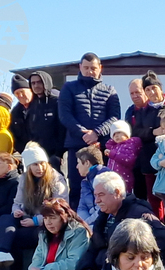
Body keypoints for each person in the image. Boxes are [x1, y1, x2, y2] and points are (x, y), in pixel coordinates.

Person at [72, 171, 165, 270]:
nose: (97, 201)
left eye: (101, 195)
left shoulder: (138, 214)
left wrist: (127, 268)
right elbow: (93, 247)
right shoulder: (105, 217)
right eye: (95, 196)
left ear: (116, 192)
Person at [0, 143, 69, 270]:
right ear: (28, 166)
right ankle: (2, 253)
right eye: (35, 164)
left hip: (47, 223)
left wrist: (36, 220)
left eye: (42, 164)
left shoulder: (56, 179)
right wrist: (17, 211)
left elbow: (61, 209)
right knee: (6, 218)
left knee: (17, 237)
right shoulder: (24, 179)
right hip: (27, 218)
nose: (39, 168)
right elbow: (17, 202)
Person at [60, 53, 121, 209]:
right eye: (86, 68)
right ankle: (77, 223)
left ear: (100, 68)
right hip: (76, 145)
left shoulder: (109, 90)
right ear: (80, 67)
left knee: (102, 185)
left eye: (93, 68)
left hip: (100, 147)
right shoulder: (69, 88)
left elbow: (114, 117)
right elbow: (65, 115)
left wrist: (97, 133)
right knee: (77, 186)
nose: (89, 71)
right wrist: (83, 133)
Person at [130, 71, 165, 219]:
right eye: (148, 90)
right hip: (150, 160)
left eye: (154, 88)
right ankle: (158, 228)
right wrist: (153, 132)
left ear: (160, 88)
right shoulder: (143, 111)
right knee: (154, 198)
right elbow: (136, 132)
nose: (152, 92)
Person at [11, 71, 64, 161]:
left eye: (39, 82)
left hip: (55, 155)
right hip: (36, 155)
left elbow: (62, 129)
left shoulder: (57, 102)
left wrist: (59, 154)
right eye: (33, 83)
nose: (36, 85)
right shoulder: (30, 106)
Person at [76, 145, 110, 226]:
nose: (77, 167)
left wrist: (86, 225)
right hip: (89, 224)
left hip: (104, 224)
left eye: (78, 163)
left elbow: (103, 209)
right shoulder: (85, 182)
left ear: (87, 163)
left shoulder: (106, 179)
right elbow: (82, 207)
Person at [105, 120, 142, 192]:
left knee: (123, 197)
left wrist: (113, 154)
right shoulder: (114, 147)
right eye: (114, 134)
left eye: (119, 132)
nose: (116, 136)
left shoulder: (129, 145)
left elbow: (129, 160)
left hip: (124, 179)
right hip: (112, 179)